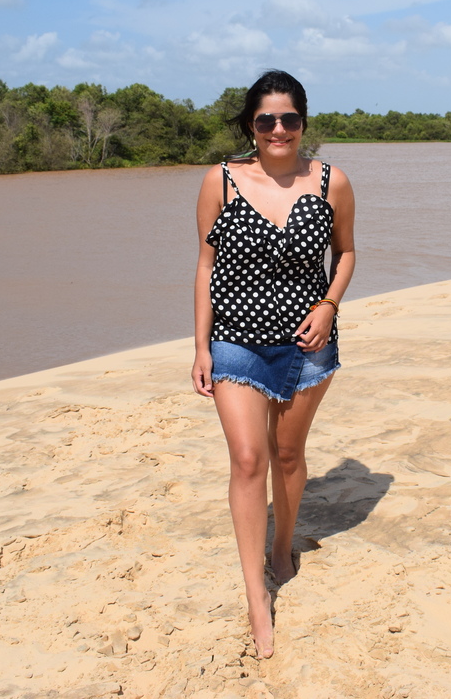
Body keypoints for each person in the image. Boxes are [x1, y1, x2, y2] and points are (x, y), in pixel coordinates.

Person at [191, 69, 356, 659]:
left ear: (303, 123)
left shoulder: (332, 181)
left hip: (307, 343)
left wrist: (328, 306)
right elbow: (206, 266)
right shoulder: (221, 180)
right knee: (247, 458)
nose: (278, 129)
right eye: (266, 119)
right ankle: (257, 597)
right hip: (236, 341)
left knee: (287, 454)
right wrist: (201, 346)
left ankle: (282, 545)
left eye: (289, 118)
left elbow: (346, 252)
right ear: (250, 125)